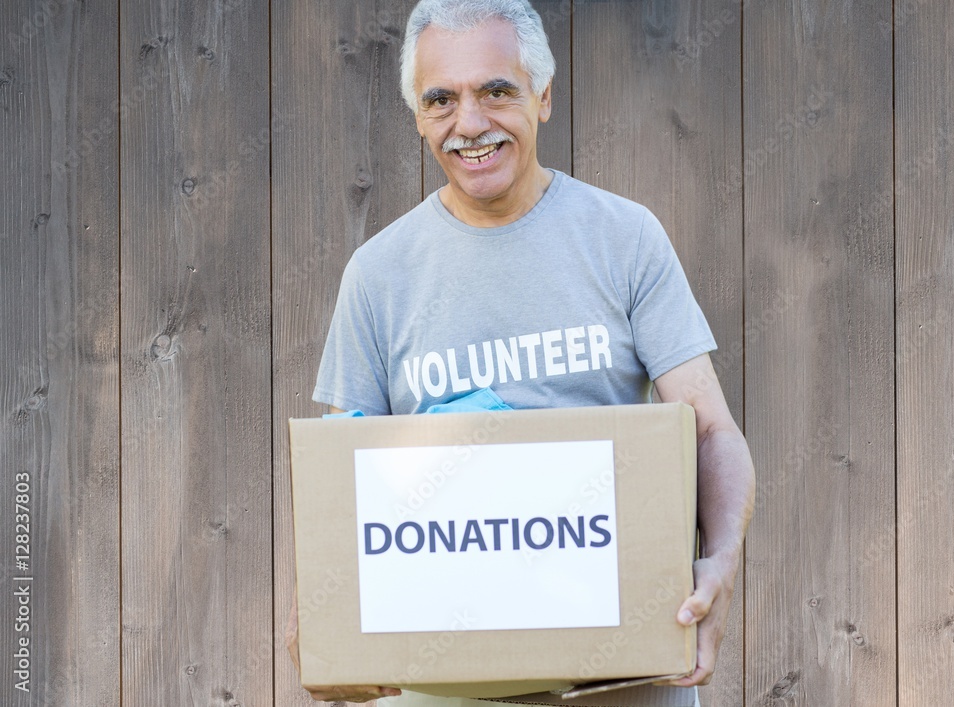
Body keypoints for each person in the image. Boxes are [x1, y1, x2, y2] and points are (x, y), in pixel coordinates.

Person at [286, 1, 755, 705]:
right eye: (440, 99)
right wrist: (323, 626)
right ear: (418, 116)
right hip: (441, 686)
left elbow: (712, 429)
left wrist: (720, 562)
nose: (468, 124)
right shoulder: (378, 275)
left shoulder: (624, 239)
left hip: (620, 677)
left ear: (543, 95)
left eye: (496, 91)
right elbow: (341, 488)